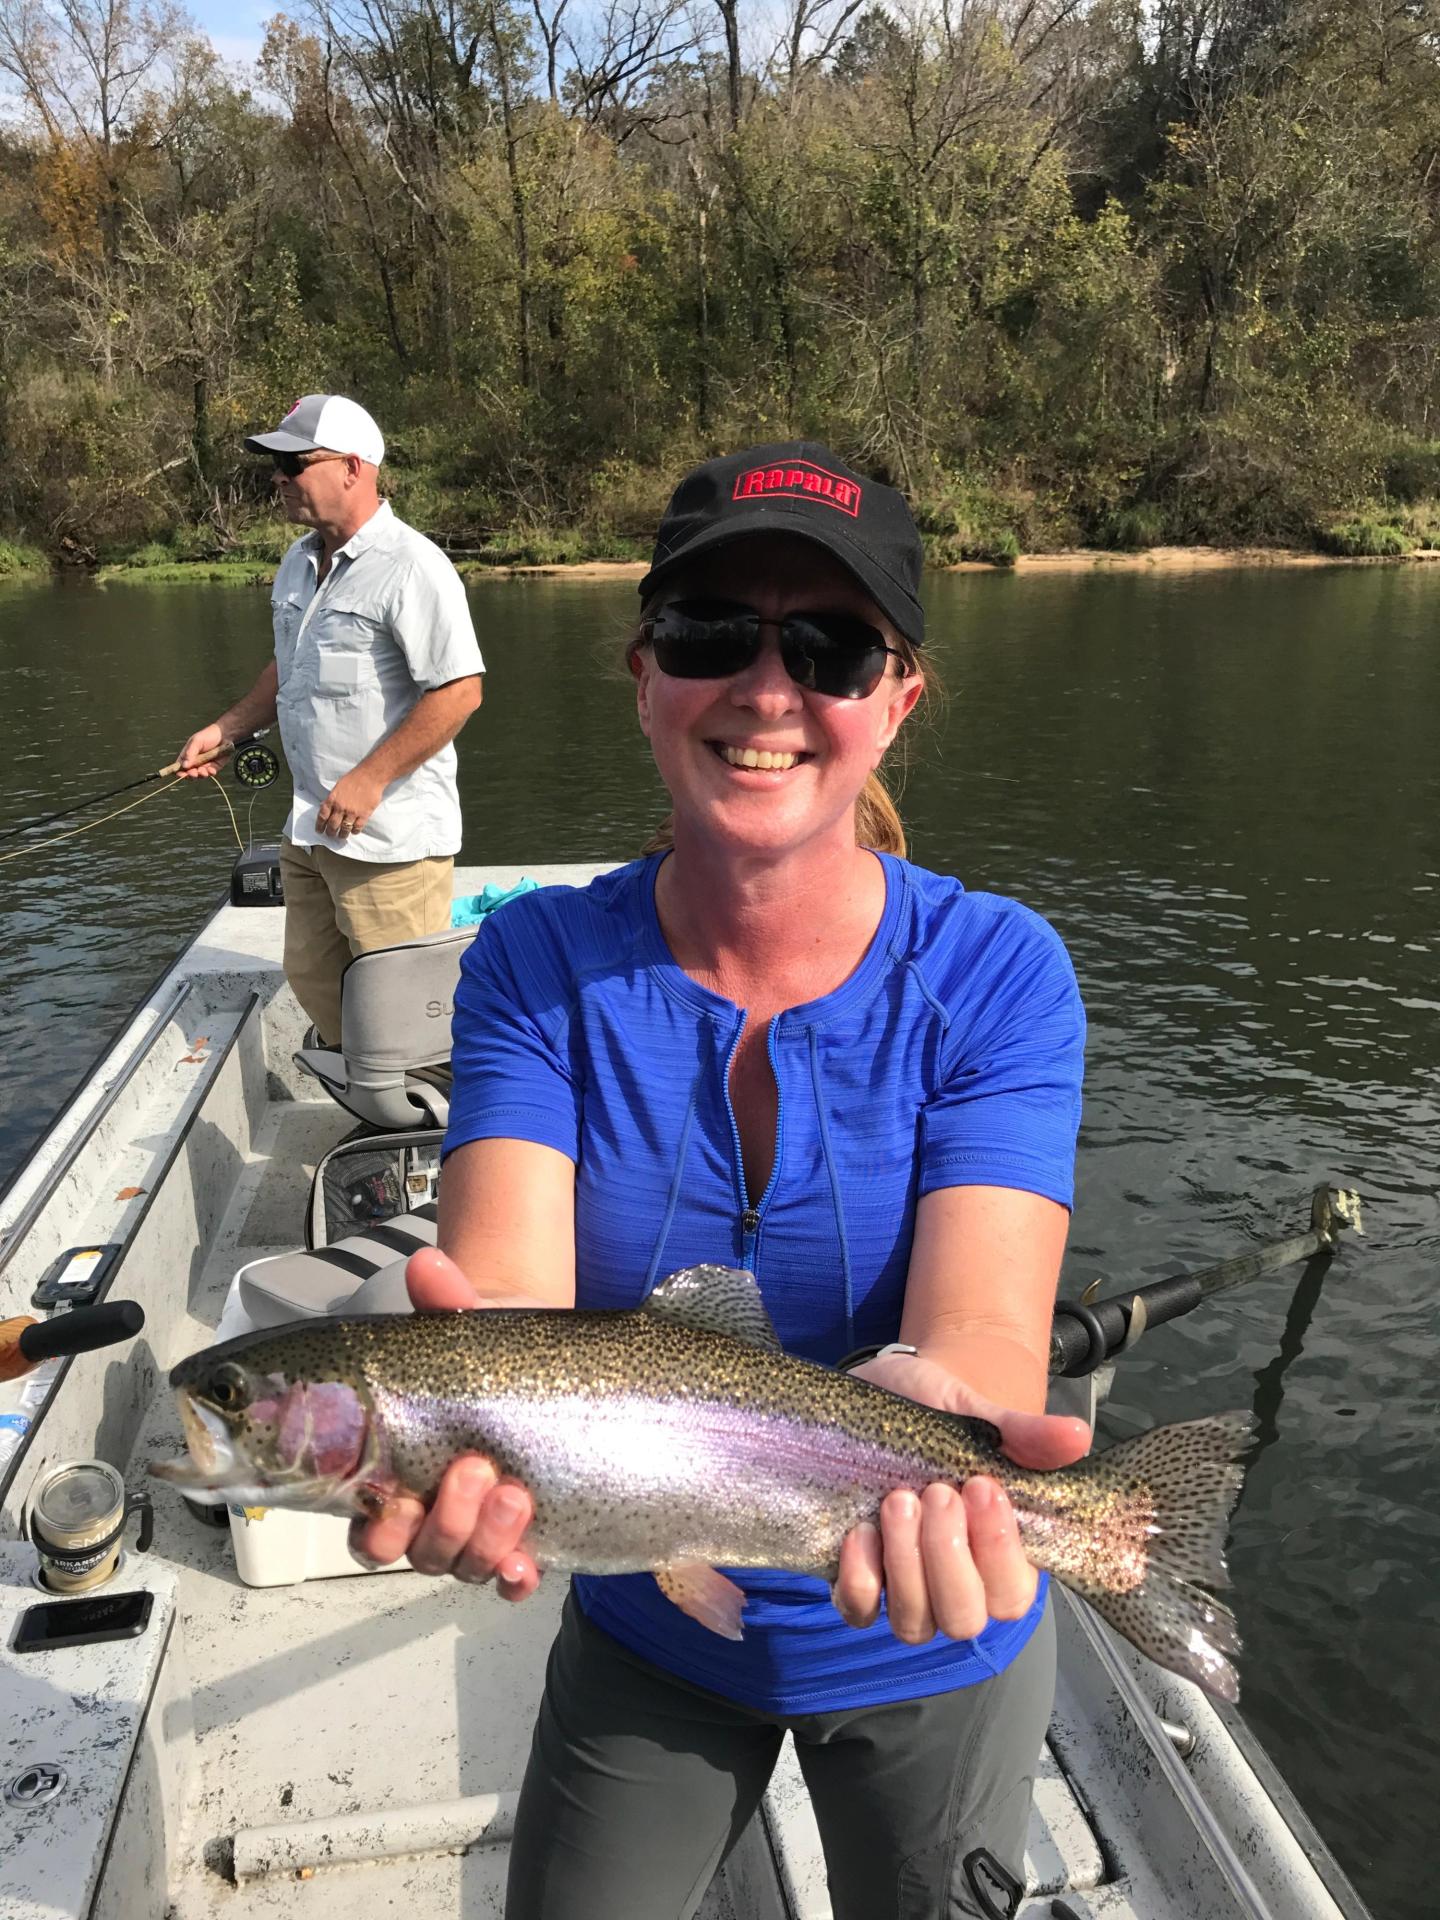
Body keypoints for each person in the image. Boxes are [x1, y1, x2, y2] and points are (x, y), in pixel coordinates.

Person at [354, 442, 1092, 1920]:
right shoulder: (537, 964)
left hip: (932, 1627)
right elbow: (508, 1292)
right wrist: (449, 1426)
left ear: (896, 700)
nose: (767, 689)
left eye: (828, 645)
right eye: (712, 635)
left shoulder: (1000, 973)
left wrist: (948, 1407)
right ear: (644, 675)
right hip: (651, 1629)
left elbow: (985, 1339)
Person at [176, 394, 484, 1046]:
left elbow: (458, 692)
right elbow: (291, 666)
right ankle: (377, 1106)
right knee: (315, 976)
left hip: (388, 838)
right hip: (310, 823)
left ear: (351, 466)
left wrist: (371, 778)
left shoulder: (412, 566)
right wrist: (228, 729)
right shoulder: (296, 560)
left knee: (406, 1007)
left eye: (295, 463)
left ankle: (430, 1123)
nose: (279, 479)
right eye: (276, 466)